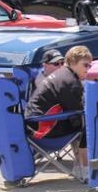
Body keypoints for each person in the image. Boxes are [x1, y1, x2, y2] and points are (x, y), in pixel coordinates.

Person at [25, 45, 93, 179]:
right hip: (42, 129)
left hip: (34, 124)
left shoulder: (62, 75)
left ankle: (79, 166)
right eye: (85, 65)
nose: (88, 69)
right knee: (86, 125)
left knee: (79, 122)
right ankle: (85, 169)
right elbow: (78, 112)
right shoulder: (70, 82)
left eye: (90, 65)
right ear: (73, 63)